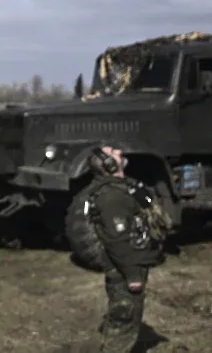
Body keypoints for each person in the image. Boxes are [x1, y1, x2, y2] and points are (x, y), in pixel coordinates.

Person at [85, 145, 170, 353]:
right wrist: (133, 274)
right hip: (124, 268)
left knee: (127, 315)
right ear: (109, 164)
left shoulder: (123, 187)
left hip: (131, 261)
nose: (119, 152)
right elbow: (117, 240)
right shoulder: (112, 198)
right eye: (113, 153)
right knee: (125, 315)